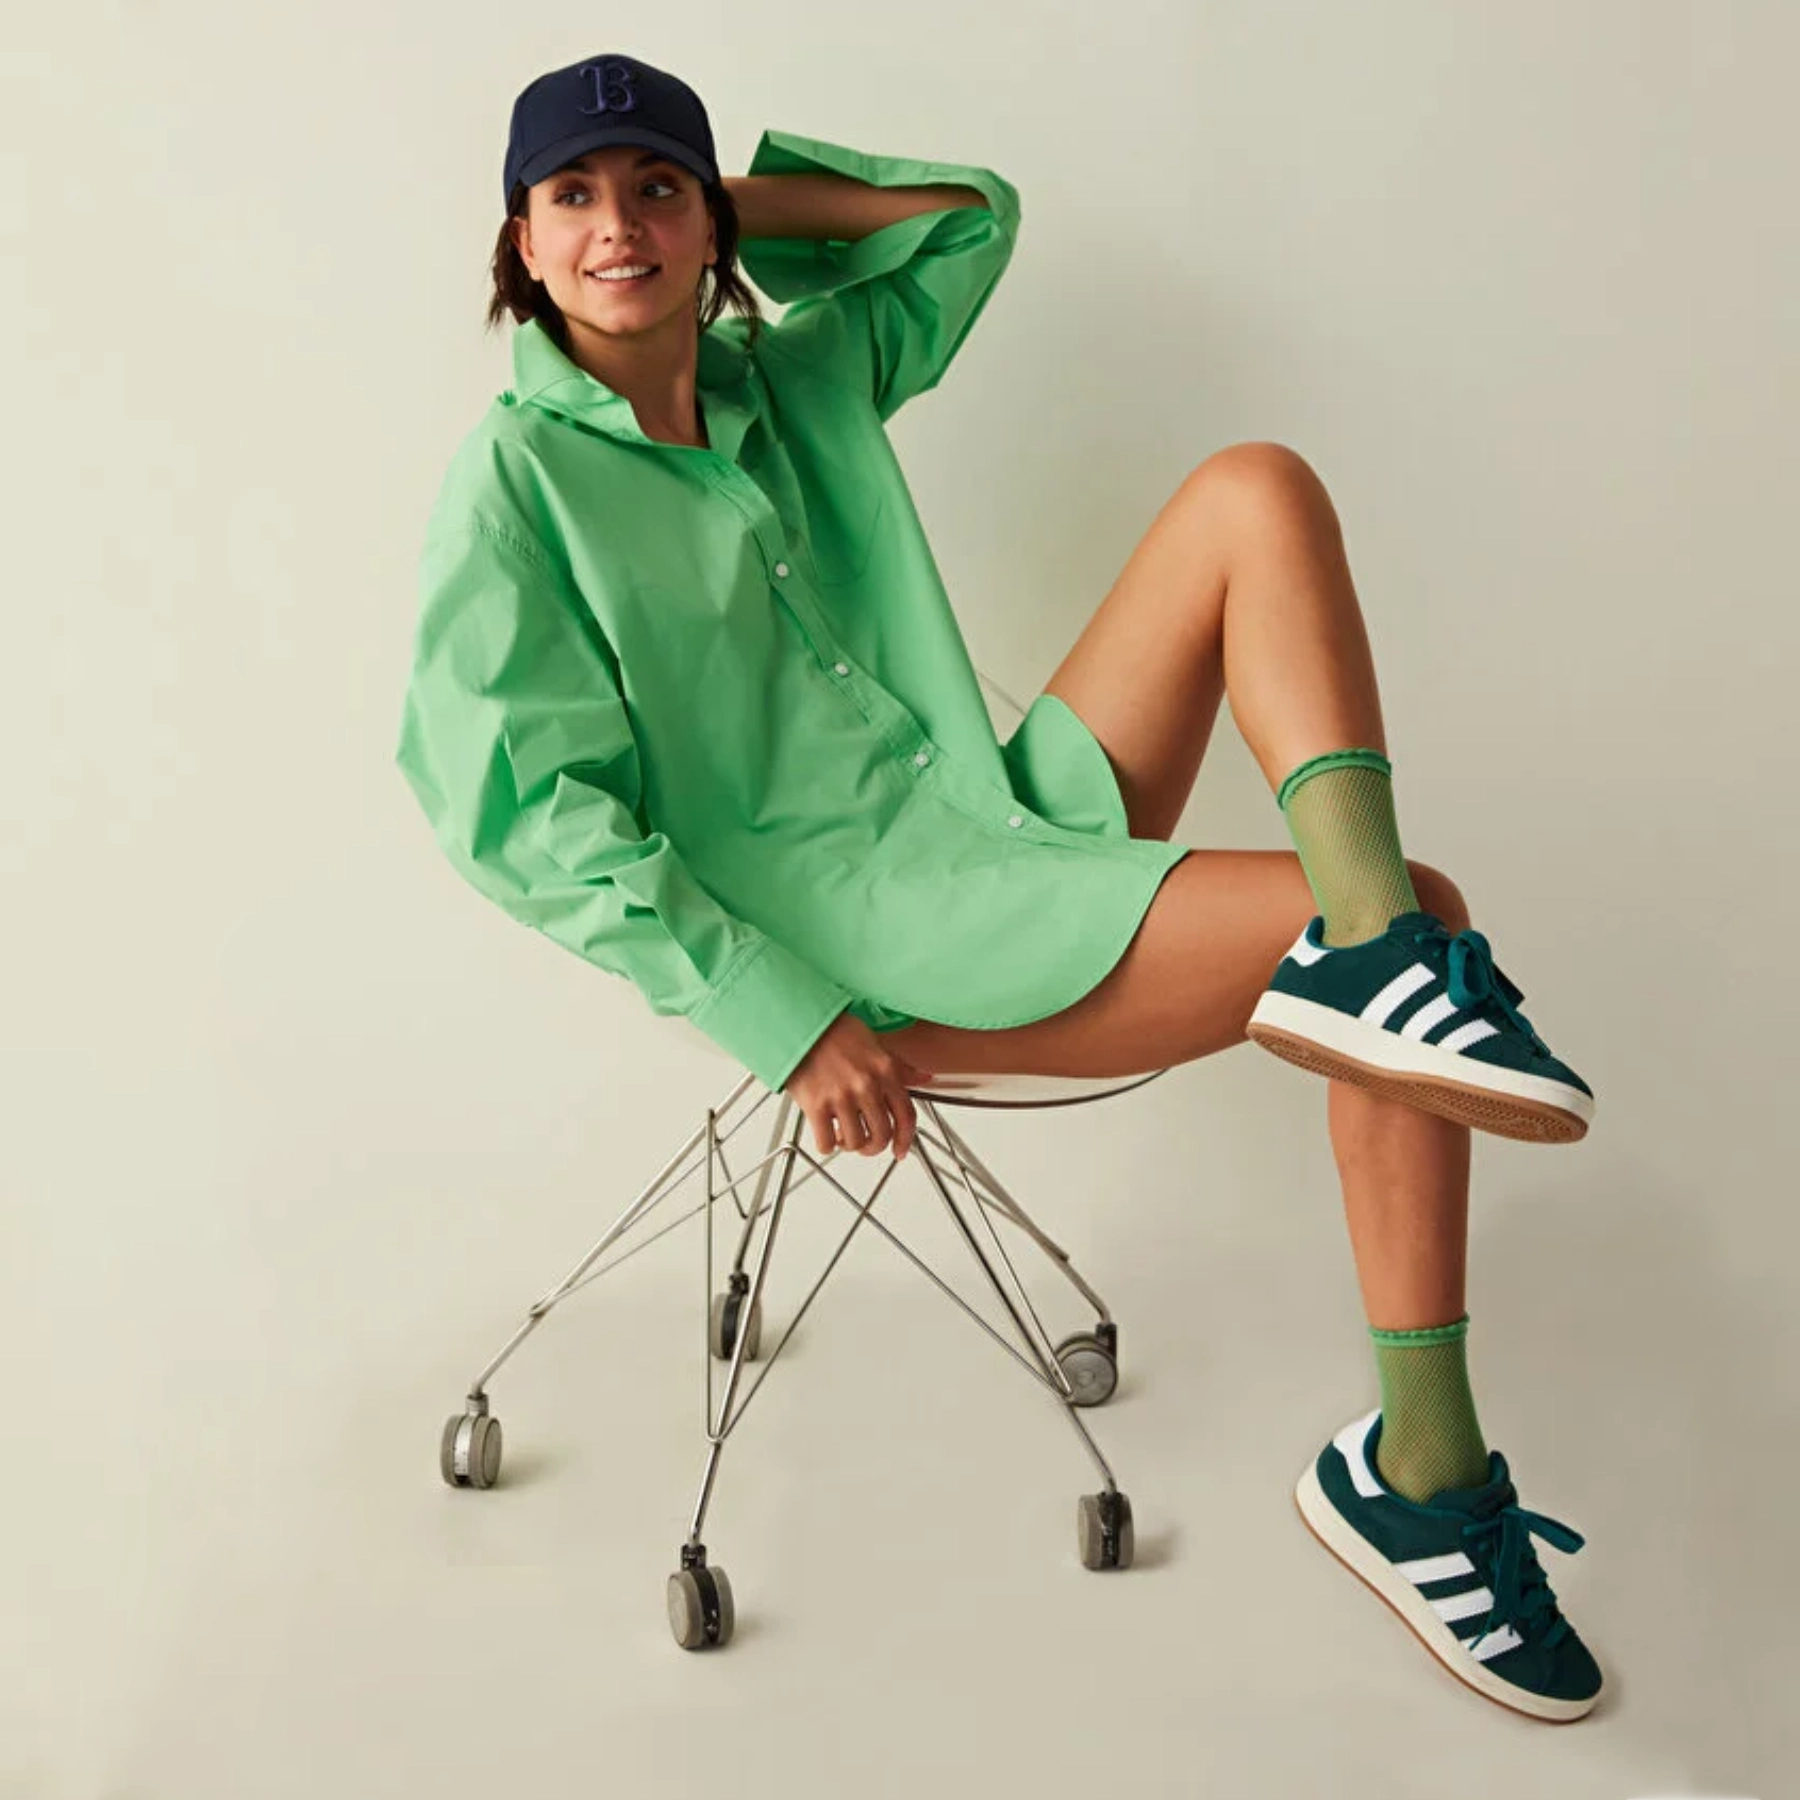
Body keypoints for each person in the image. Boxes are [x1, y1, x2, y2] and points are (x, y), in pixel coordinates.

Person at [394, 51, 1602, 1719]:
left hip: (997, 816)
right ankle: (1423, 1468)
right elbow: (523, 817)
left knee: (1256, 491)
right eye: (575, 198)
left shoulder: (791, 377)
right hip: (871, 952)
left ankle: (1377, 957)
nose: (620, 228)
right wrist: (790, 1021)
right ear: (518, 243)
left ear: (711, 215)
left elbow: (966, 226)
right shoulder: (518, 487)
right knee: (1423, 926)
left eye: (658, 188)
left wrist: (746, 203)